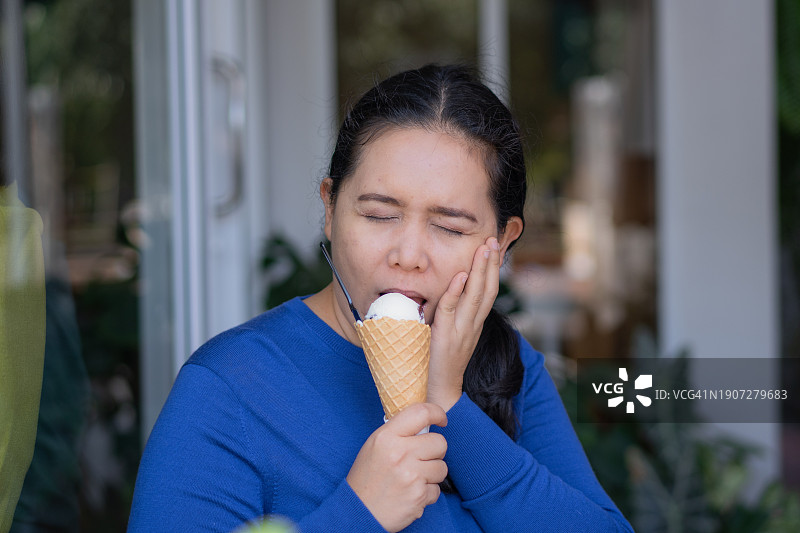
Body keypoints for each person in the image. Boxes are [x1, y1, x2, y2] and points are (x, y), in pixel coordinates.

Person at [128, 64, 633, 532]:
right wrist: (360, 510)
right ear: (330, 208)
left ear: (499, 244)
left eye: (449, 225)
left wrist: (451, 406)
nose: (408, 254)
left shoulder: (509, 365)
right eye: (378, 215)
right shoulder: (228, 388)